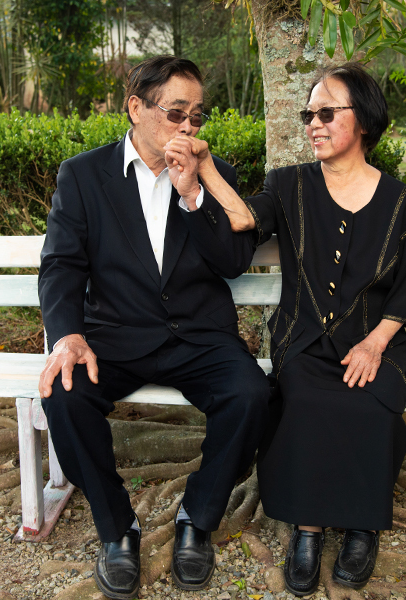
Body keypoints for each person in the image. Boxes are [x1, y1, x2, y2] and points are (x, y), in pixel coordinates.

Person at [165, 62, 406, 596]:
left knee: (370, 400)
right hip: (303, 340)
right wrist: (205, 168)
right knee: (304, 398)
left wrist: (375, 344)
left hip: (373, 340)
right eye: (309, 114)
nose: (314, 124)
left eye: (326, 113)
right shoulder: (288, 185)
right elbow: (243, 219)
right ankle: (307, 529)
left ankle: (361, 528)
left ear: (363, 120)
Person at [37, 55, 270, 600]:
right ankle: (117, 527)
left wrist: (193, 195)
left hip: (199, 337)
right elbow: (62, 265)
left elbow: (234, 261)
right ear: (136, 108)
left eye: (197, 115)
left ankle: (198, 518)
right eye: (176, 113)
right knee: (64, 393)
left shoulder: (214, 172)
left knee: (251, 394)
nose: (188, 126)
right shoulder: (84, 174)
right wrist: (67, 336)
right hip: (114, 337)